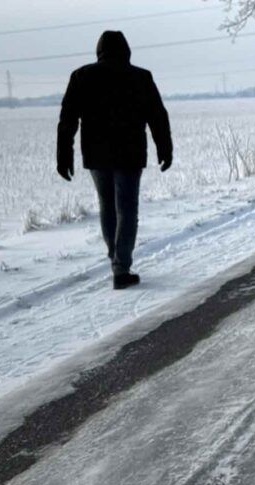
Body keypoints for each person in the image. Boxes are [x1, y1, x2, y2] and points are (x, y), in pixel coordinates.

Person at [57, 30, 173, 290]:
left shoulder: (81, 76)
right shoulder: (140, 77)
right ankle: (121, 267)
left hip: (96, 155)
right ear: (126, 51)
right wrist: (165, 148)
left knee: (108, 206)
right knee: (127, 208)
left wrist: (64, 155)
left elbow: (67, 120)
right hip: (130, 153)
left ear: (99, 51)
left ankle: (116, 260)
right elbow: (158, 116)